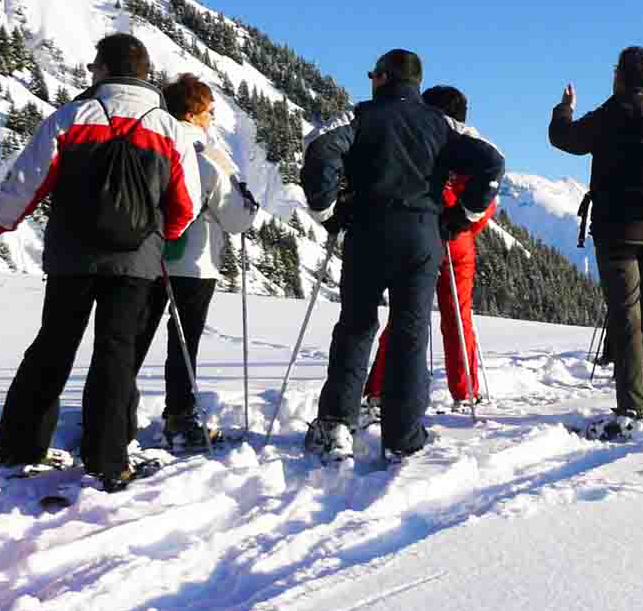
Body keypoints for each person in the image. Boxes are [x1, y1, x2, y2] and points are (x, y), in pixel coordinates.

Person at [0, 33, 201, 490]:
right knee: (116, 352)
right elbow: (186, 203)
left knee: (54, 344)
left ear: (105, 70)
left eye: (94, 67)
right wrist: (160, 238)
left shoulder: (72, 117)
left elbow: (26, 183)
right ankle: (107, 459)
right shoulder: (168, 127)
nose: (90, 74)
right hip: (136, 261)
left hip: (72, 256)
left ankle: (20, 449)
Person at [300, 49, 503, 460]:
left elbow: (320, 148)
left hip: (368, 232)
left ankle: (337, 426)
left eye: (373, 74)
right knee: (411, 332)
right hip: (423, 236)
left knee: (356, 327)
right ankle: (403, 435)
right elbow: (492, 162)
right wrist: (461, 217)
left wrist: (328, 212)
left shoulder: (360, 116)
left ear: (382, 78)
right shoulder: (441, 123)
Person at [548, 45, 643, 434]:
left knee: (626, 316)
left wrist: (563, 108)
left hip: (617, 232)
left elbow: (563, 138)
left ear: (620, 76)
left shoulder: (609, 116)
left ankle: (632, 409)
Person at [131, 74, 260, 448]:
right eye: (209, 111)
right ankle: (180, 417)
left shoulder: (150, 144)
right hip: (194, 261)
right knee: (184, 345)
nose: (213, 118)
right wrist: (248, 204)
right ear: (193, 112)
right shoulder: (207, 156)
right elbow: (236, 218)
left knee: (132, 339)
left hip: (144, 257)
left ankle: (109, 412)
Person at [363, 85, 497, 416]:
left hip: (417, 234)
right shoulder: (472, 149)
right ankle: (465, 391)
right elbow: (486, 203)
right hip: (457, 243)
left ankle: (379, 389)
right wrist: (463, 227)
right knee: (458, 317)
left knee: (406, 315)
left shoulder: (419, 140)